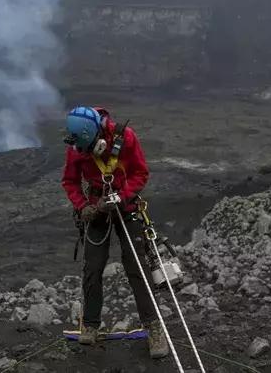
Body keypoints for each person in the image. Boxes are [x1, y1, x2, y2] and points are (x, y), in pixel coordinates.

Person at [61, 106, 170, 359]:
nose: (84, 152)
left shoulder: (126, 137)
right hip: (96, 209)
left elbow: (140, 173)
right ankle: (90, 324)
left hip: (127, 206)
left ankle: (153, 327)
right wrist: (83, 206)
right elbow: (70, 181)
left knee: (136, 266)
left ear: (97, 136)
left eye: (88, 148)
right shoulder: (77, 146)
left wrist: (121, 197)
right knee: (93, 266)